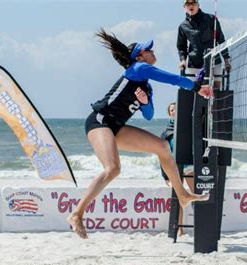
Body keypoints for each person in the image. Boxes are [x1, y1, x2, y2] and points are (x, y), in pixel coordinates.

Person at [67, 29, 212, 239]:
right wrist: (196, 86)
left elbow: (149, 115)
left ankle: (182, 194)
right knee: (113, 168)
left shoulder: (146, 86)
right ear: (140, 56)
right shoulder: (138, 68)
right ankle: (77, 214)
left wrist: (144, 102)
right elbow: (172, 79)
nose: (152, 51)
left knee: (162, 147)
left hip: (116, 126)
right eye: (148, 49)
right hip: (100, 120)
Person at [160, 102, 195, 236]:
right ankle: (180, 229)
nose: (174, 111)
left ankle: (200, 225)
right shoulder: (166, 132)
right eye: (172, 110)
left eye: (176, 109)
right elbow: (162, 155)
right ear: (169, 113)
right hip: (174, 169)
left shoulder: (188, 127)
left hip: (189, 167)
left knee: (196, 196)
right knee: (179, 199)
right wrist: (165, 176)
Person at [177, 0, 231, 75]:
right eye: (188, 4)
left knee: (216, 86)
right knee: (194, 86)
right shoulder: (183, 26)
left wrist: (226, 60)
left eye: (193, 3)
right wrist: (183, 60)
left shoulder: (211, 19)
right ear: (184, 7)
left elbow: (221, 40)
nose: (191, 6)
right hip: (194, 64)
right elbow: (181, 46)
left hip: (214, 61)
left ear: (198, 5)